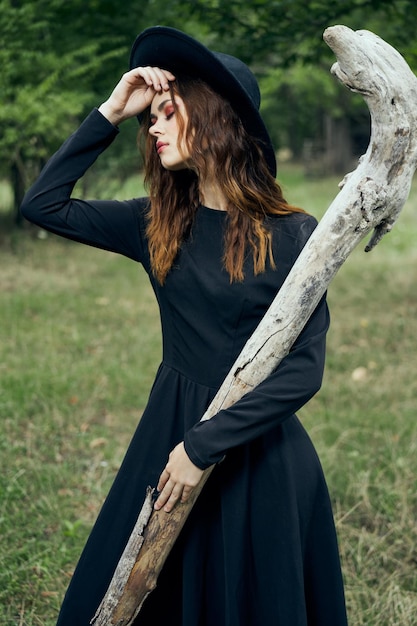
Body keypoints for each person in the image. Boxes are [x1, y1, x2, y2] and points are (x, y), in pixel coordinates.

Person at [21, 25, 348, 626]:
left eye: (169, 113)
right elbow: (42, 204)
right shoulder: (157, 223)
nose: (154, 125)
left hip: (259, 453)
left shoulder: (295, 234)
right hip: (166, 432)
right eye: (153, 116)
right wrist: (112, 110)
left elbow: (305, 369)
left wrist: (202, 448)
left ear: (217, 120)